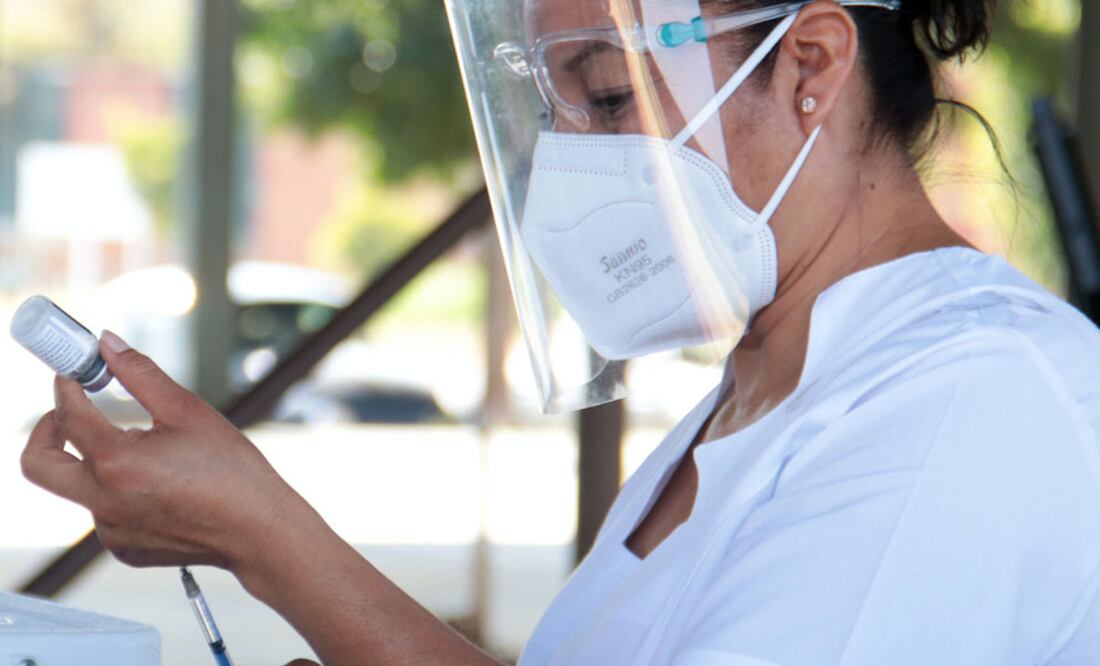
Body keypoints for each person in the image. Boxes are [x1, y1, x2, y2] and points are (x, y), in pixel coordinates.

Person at [20, 0, 1100, 663]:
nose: (572, 161)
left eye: (605, 96)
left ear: (808, 66)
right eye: (549, 108)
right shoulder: (750, 397)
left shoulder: (974, 396)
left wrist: (268, 541)